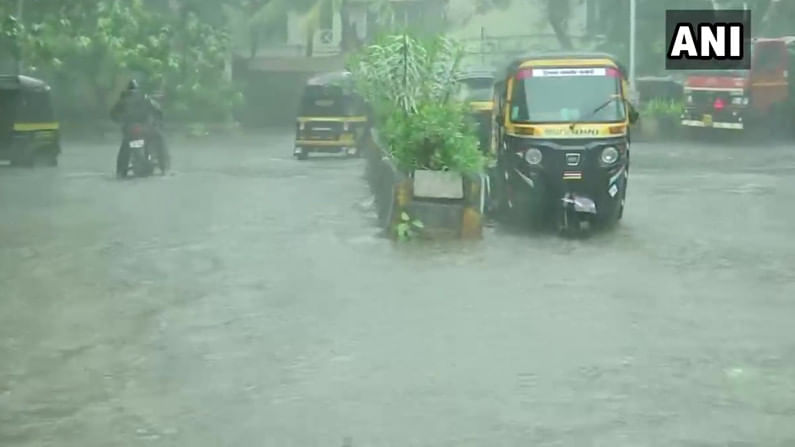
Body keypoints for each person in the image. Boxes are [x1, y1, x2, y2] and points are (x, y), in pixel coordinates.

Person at [110, 80, 170, 177]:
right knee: (159, 138)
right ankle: (164, 166)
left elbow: (113, 115)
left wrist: (120, 120)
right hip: (145, 128)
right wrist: (158, 122)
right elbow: (158, 111)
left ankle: (121, 170)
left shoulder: (123, 99)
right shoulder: (145, 98)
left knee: (125, 146)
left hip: (130, 129)